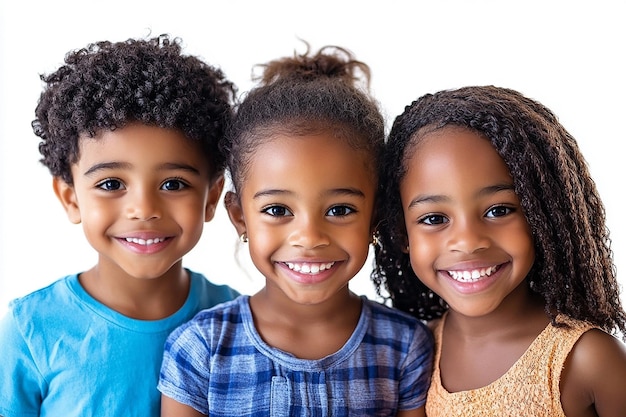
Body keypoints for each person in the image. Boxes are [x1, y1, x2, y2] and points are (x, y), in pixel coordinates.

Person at [157, 43, 434, 417]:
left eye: (339, 210)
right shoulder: (199, 349)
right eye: (277, 210)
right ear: (240, 217)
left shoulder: (404, 347)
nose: (309, 236)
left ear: (375, 217)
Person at [0, 35, 240, 417]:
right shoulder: (31, 331)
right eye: (111, 184)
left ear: (211, 198)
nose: (143, 209)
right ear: (71, 198)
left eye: (173, 184)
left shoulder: (237, 319)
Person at [372, 85, 626, 416]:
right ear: (400, 233)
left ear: (541, 216)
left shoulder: (587, 359)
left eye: (498, 210)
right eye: (434, 218)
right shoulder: (415, 353)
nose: (468, 241)